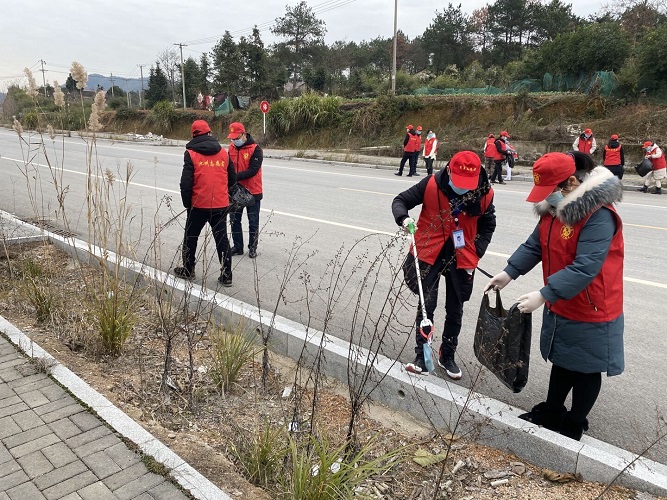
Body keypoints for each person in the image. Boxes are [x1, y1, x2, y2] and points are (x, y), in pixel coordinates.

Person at [484, 151, 624, 441]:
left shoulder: (599, 215)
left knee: (586, 367)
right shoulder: (554, 209)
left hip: (592, 305)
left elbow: (585, 267)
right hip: (562, 298)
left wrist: (544, 294)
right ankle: (552, 410)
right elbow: (535, 245)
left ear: (571, 182)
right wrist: (509, 272)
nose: (547, 198)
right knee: (563, 358)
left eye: (550, 190)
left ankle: (574, 421)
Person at [392, 151, 496, 378]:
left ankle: (447, 354)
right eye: (459, 181)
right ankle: (422, 355)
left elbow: (488, 225)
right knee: (427, 305)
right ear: (449, 170)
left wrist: (477, 250)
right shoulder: (431, 184)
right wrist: (404, 219)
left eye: (468, 184)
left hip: (462, 255)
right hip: (430, 250)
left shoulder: (485, 193)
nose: (463, 188)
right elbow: (400, 201)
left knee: (455, 309)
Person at [174, 120, 235, 286]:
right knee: (222, 239)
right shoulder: (223, 153)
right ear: (209, 133)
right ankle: (227, 275)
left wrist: (188, 204)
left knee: (191, 237)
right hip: (220, 204)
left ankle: (188, 270)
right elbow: (232, 179)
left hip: (198, 205)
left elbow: (186, 183)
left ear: (194, 135)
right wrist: (223, 194)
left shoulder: (191, 153)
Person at [227, 121, 264, 257]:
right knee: (234, 220)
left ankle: (252, 247)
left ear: (244, 134)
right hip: (235, 191)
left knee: (253, 221)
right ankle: (238, 246)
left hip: (252, 191)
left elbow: (253, 170)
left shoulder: (256, 149)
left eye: (236, 138)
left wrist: (234, 177)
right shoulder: (231, 148)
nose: (234, 141)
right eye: (232, 138)